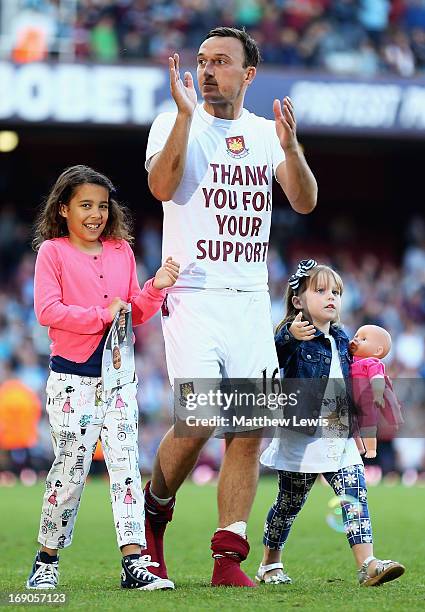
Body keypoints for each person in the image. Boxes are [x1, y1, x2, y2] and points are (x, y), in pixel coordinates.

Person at [144, 26, 318, 587]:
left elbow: (304, 201)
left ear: (249, 74)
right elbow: (161, 187)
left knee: (247, 430)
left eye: (221, 60)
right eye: (202, 59)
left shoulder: (267, 133)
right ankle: (154, 511)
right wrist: (186, 118)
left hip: (247, 299)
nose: (208, 68)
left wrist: (291, 148)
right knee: (197, 421)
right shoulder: (175, 121)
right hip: (192, 293)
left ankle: (228, 557)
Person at [26, 165, 180, 591]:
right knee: (69, 473)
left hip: (119, 379)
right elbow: (48, 312)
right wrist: (100, 315)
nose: (95, 214)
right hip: (71, 381)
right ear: (63, 210)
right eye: (85, 205)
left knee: (127, 468)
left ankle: (134, 563)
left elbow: (135, 311)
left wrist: (156, 287)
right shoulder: (52, 253)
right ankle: (46, 560)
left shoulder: (121, 252)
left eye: (101, 205)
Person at [258, 260, 405, 587]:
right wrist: (288, 337)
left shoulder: (341, 337)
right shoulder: (294, 334)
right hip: (302, 436)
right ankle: (270, 562)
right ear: (298, 300)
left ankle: (368, 564)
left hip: (339, 434)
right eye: (321, 290)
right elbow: (270, 357)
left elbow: (354, 375)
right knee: (288, 504)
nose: (331, 297)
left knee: (355, 493)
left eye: (336, 292)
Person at [349, 324, 403, 459]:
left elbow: (377, 379)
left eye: (363, 339)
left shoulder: (372, 362)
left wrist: (378, 394)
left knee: (368, 424)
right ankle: (359, 447)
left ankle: (371, 449)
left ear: (377, 351)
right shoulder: (351, 360)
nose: (356, 340)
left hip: (365, 400)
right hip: (349, 398)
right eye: (356, 337)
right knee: (350, 423)